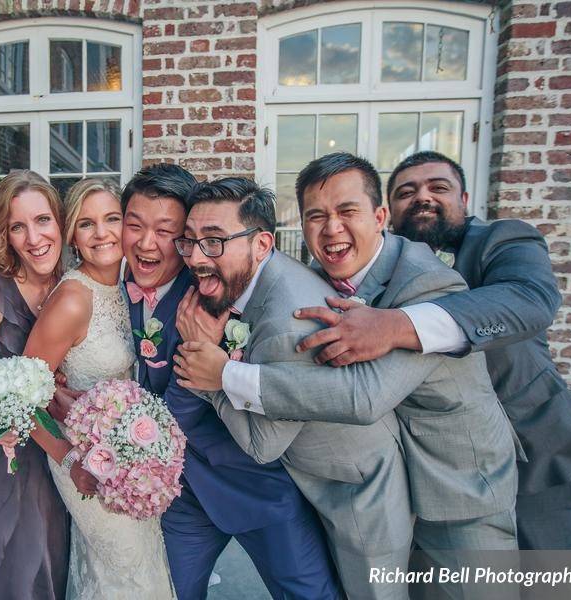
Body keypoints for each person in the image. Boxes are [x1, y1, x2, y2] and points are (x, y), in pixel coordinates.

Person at [175, 156, 520, 598]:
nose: (330, 228)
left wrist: (221, 375)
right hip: (390, 482)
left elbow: (363, 397)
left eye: (347, 212)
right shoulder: (318, 280)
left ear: (380, 217)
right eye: (316, 216)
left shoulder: (424, 283)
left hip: (460, 484)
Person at [295, 150, 571, 550]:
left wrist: (397, 325)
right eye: (407, 191)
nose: (422, 197)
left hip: (528, 436)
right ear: (387, 214)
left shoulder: (500, 240)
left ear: (464, 200)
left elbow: (529, 299)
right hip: (436, 466)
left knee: (547, 575)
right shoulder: (368, 265)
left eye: (438, 187)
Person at [171, 177, 411, 600]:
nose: (195, 257)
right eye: (188, 241)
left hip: (355, 496)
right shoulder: (262, 280)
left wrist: (209, 368)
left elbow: (264, 445)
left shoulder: (286, 325)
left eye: (213, 241)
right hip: (318, 483)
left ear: (262, 245)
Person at [121, 165, 340, 599]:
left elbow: (190, 400)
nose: (148, 243)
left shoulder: (216, 290)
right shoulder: (123, 281)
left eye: (166, 231)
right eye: (135, 225)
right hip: (184, 493)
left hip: (254, 486)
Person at [23, 178, 175, 599]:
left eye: (112, 219)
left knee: (140, 565)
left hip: (130, 457)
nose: (102, 233)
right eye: (86, 224)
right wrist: (70, 459)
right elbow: (20, 399)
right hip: (83, 464)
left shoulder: (128, 287)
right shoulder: (73, 299)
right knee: (124, 572)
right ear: (72, 234)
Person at [0, 170, 70, 600]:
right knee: (20, 570)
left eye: (42, 221)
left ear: (60, 222)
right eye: (17, 227)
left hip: (61, 445)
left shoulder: (72, 282)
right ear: (5, 234)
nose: (33, 238)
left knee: (57, 558)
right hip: (6, 454)